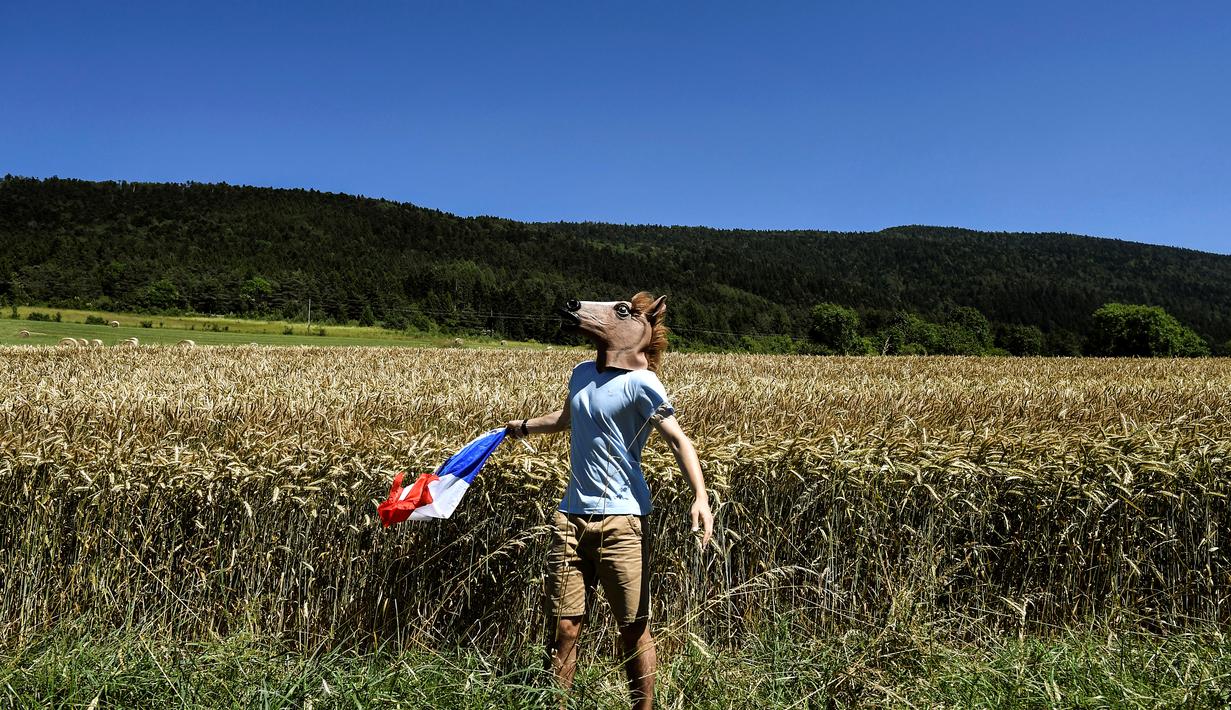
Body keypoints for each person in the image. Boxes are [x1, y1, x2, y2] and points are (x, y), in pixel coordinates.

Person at [506, 292, 713, 710]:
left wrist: (701, 496)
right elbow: (566, 419)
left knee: (633, 628)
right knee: (565, 626)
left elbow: (678, 440)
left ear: (640, 326)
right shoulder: (581, 372)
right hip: (570, 517)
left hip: (622, 519)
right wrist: (521, 427)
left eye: (622, 313)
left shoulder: (643, 383)